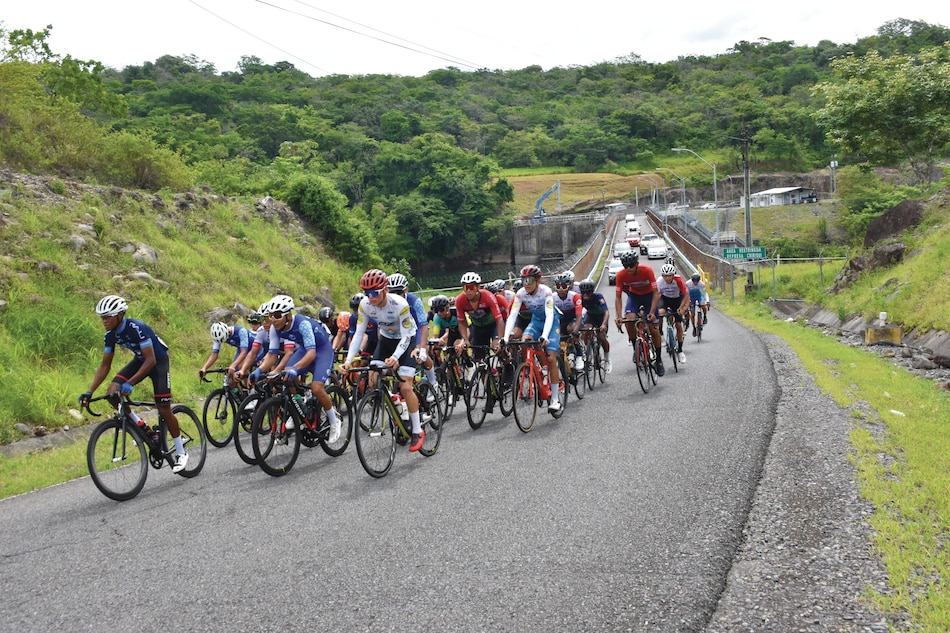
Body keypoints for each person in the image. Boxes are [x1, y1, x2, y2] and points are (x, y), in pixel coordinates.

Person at [79, 295, 189, 472]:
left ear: (120, 315)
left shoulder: (136, 328)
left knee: (163, 408)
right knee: (112, 393)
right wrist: (89, 391)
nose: (104, 321)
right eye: (102, 317)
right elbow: (105, 365)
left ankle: (181, 452)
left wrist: (130, 382)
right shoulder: (110, 335)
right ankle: (141, 426)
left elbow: (151, 360)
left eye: (107, 317)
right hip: (140, 360)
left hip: (158, 361)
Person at [341, 270, 425, 452]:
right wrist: (348, 361)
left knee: (405, 385)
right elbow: (358, 334)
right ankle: (395, 401)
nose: (370, 298)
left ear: (385, 289)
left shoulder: (400, 304)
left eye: (374, 293)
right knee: (372, 380)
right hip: (386, 339)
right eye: (366, 293)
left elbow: (405, 337)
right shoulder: (365, 305)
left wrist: (395, 357)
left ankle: (417, 430)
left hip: (406, 340)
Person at [251, 294, 342, 443]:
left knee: (316, 388)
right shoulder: (275, 328)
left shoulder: (302, 324)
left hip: (321, 350)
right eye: (271, 316)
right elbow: (272, 355)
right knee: (286, 376)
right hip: (304, 349)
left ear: (288, 315)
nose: (273, 320)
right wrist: (259, 370)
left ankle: (334, 421)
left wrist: (295, 369)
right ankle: (298, 410)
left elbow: (312, 354)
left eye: (277, 316)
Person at [503, 264, 562, 413]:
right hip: (535, 322)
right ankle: (538, 370)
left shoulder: (546, 292)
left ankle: (555, 398)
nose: (526, 284)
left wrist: (544, 336)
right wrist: (505, 337)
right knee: (525, 341)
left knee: (550, 357)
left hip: (551, 321)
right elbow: (512, 315)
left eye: (529, 280)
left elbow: (549, 315)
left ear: (538, 281)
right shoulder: (521, 293)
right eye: (524, 280)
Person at [613, 250, 665, 376]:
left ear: (637, 263)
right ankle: (635, 345)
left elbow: (655, 293)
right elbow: (618, 297)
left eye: (631, 265)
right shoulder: (621, 275)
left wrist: (652, 312)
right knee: (629, 319)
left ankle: (658, 359)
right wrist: (619, 317)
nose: (629, 269)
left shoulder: (647, 270)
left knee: (653, 330)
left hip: (649, 297)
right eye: (626, 266)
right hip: (634, 297)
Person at [387, 273, 439, 389]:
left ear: (406, 290)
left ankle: (433, 382)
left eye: (399, 292)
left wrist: (421, 348)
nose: (396, 295)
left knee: (422, 356)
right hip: (400, 333)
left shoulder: (414, 301)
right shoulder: (387, 303)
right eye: (392, 292)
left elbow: (423, 326)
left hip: (417, 331)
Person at [454, 272, 505, 360]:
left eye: (471, 287)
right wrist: (465, 339)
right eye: (466, 287)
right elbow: (461, 322)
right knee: (478, 357)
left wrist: (500, 339)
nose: (468, 291)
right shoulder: (460, 300)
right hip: (478, 327)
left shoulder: (488, 296)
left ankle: (508, 367)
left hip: (493, 326)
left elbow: (499, 319)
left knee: (497, 348)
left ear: (478, 287)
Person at [657, 263, 689, 364]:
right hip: (665, 299)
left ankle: (680, 351)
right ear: (662, 276)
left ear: (673, 275)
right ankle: (660, 333)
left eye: (669, 275)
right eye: (665, 276)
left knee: (679, 325)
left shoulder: (678, 280)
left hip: (677, 300)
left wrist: (681, 308)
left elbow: (686, 296)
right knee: (660, 312)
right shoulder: (659, 282)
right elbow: (656, 296)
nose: (667, 278)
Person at [552, 272, 584, 370]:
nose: (561, 289)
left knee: (570, 329)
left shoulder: (574, 296)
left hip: (573, 317)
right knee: (558, 337)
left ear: (569, 287)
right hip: (560, 319)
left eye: (564, 286)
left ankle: (579, 355)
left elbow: (579, 316)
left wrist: (575, 331)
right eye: (558, 286)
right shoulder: (552, 298)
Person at [578, 278, 611, 372]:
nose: (585, 295)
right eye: (583, 292)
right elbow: (578, 313)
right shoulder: (580, 298)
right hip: (591, 316)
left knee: (602, 337)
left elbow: (606, 312)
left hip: (601, 317)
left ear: (592, 291)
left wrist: (604, 324)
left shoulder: (598, 296)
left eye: (587, 292)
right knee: (585, 331)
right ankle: (588, 350)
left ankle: (607, 359)